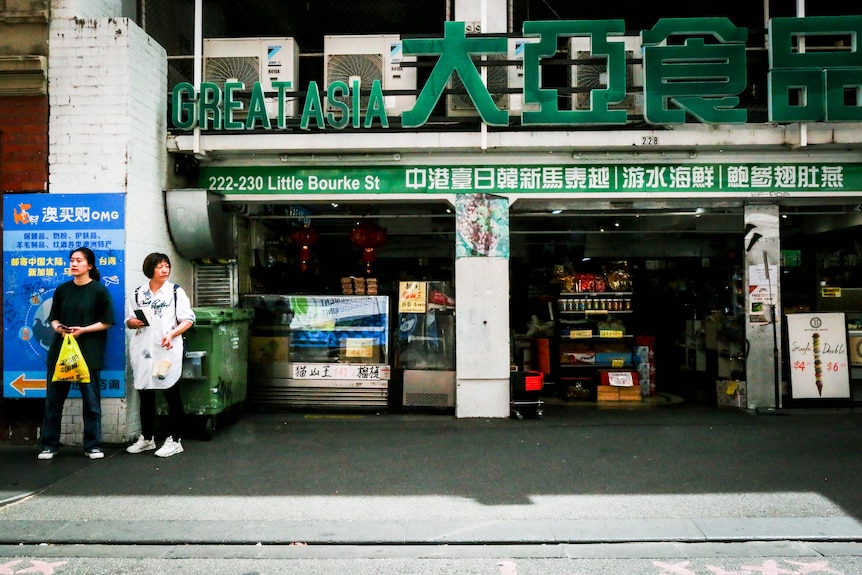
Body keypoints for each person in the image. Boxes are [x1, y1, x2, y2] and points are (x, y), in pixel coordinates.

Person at [39, 247, 115, 460]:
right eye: (72, 260)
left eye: (79, 261)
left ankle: (92, 446)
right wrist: (57, 327)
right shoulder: (62, 289)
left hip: (89, 352)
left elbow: (107, 321)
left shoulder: (99, 291)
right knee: (53, 401)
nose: (74, 264)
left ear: (89, 265)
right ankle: (49, 445)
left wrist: (83, 330)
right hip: (60, 352)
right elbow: (53, 317)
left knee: (91, 402)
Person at [124, 253, 195, 457]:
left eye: (167, 266)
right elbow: (129, 319)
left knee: (171, 392)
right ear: (150, 269)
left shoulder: (175, 292)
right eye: (160, 267)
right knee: (145, 393)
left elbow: (188, 320)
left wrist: (172, 333)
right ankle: (147, 438)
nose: (165, 270)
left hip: (167, 350)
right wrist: (132, 322)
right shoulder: (139, 293)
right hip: (144, 350)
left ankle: (175, 440)